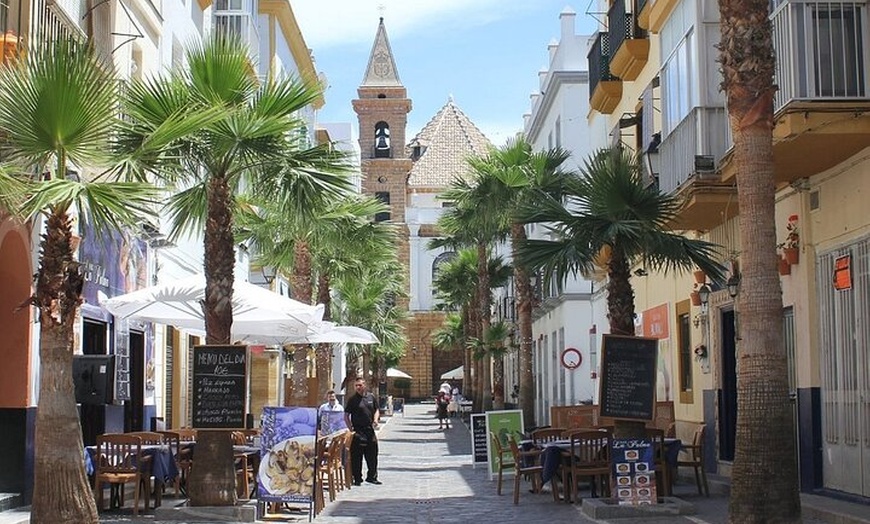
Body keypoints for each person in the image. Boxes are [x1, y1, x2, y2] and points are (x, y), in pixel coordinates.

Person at [345, 378, 381, 485]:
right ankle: (357, 478)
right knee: (356, 457)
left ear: (364, 385)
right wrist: (350, 429)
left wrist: (375, 420)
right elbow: (346, 415)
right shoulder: (352, 400)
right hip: (358, 432)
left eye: (360, 385)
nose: (358, 387)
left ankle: (372, 477)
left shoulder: (371, 397)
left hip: (369, 431)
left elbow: (376, 410)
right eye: (356, 385)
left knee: (372, 455)